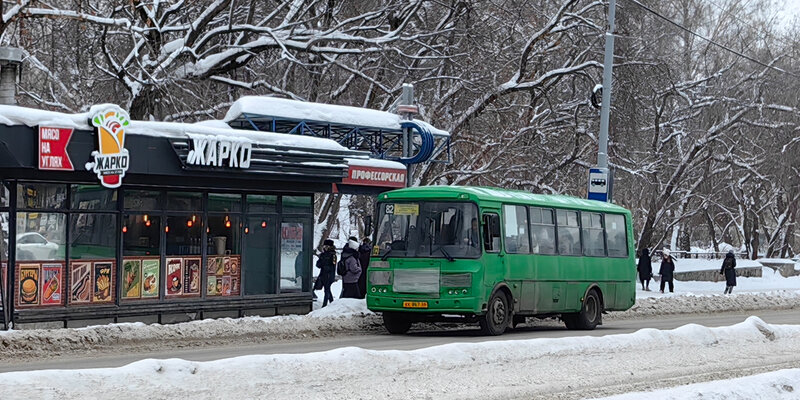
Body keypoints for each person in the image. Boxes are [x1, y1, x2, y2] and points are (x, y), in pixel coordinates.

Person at [315, 239, 337, 307]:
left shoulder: (333, 255)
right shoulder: (323, 254)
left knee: (326, 289)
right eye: (324, 246)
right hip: (323, 274)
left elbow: (332, 266)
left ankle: (324, 305)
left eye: (326, 246)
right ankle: (332, 303)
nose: (325, 247)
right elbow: (318, 264)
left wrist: (325, 265)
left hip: (329, 275)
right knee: (327, 289)